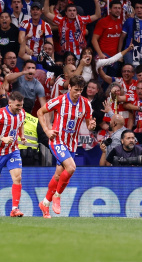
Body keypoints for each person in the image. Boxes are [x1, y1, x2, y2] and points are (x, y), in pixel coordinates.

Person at [36, 75, 96, 218]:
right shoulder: (59, 100)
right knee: (71, 167)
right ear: (69, 87)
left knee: (58, 175)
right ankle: (57, 196)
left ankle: (44, 203)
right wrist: (47, 130)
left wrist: (92, 126)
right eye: (76, 90)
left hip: (72, 144)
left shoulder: (86, 104)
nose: (78, 93)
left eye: (81, 90)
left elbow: (89, 124)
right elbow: (40, 112)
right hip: (57, 140)